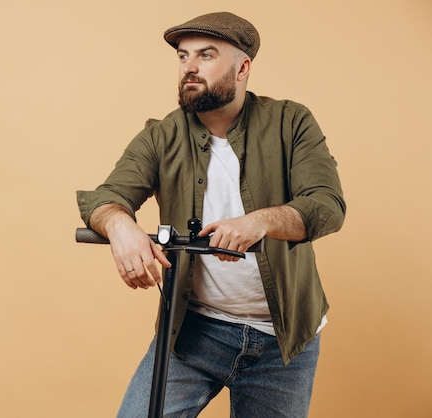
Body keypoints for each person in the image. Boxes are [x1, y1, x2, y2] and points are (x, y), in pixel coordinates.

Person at [76, 11, 346, 418]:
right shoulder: (161, 134)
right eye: (183, 57)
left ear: (243, 68)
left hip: (283, 340)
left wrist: (260, 221)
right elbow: (107, 197)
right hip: (194, 332)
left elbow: (327, 204)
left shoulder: (291, 122)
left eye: (206, 55)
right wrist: (121, 227)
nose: (190, 68)